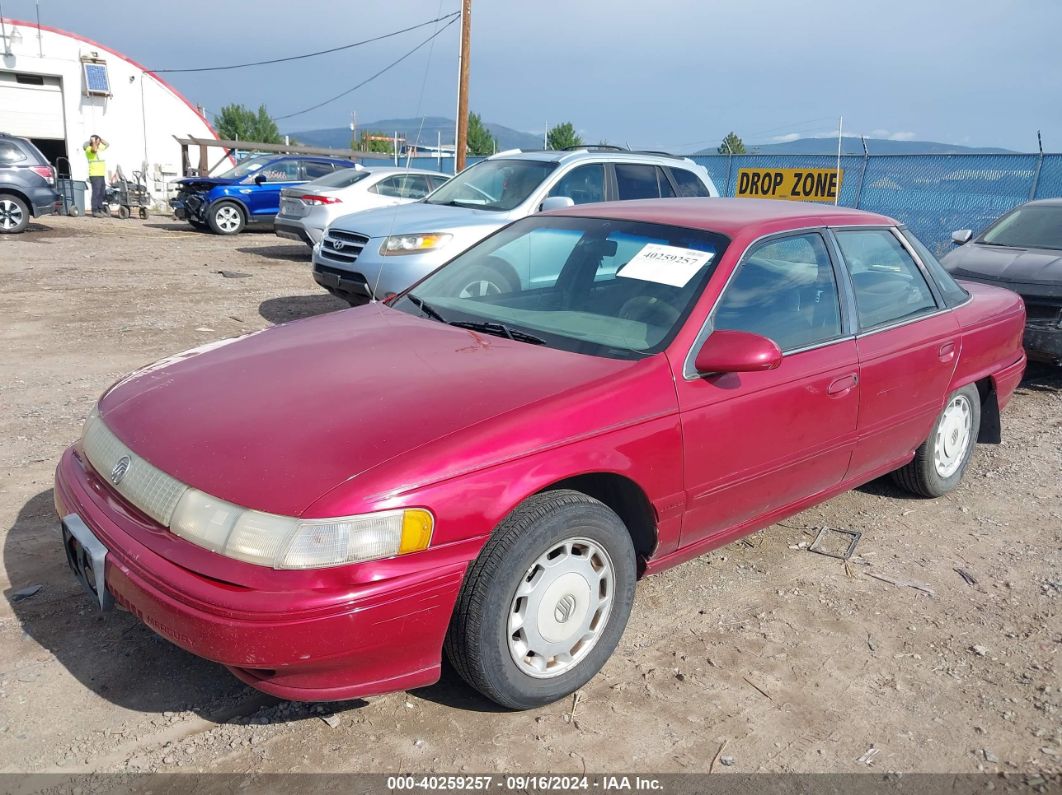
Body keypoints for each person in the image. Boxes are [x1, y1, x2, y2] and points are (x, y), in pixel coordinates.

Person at [84, 135, 109, 217]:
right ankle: (95, 210)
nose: (98, 141)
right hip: (94, 174)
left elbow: (107, 144)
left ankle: (100, 209)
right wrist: (93, 141)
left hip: (101, 174)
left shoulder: (100, 148)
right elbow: (94, 150)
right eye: (97, 140)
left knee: (102, 193)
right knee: (96, 193)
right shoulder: (88, 149)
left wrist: (101, 140)